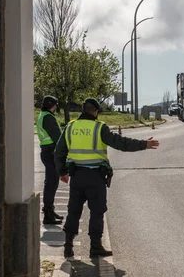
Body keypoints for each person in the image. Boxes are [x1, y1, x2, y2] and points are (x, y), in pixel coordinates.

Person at [54, 98, 160, 258]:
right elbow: (120, 143)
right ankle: (95, 247)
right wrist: (143, 144)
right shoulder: (99, 127)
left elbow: (59, 152)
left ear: (83, 110)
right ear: (96, 112)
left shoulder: (70, 127)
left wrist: (62, 172)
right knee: (97, 211)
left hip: (76, 176)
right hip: (95, 177)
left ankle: (68, 247)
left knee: (74, 211)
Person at [36, 95, 64, 225]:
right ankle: (48, 213)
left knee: (51, 182)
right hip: (50, 152)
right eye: (55, 105)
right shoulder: (48, 117)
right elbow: (57, 137)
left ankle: (49, 210)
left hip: (47, 152)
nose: (56, 107)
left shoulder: (43, 115)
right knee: (51, 183)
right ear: (52, 105)